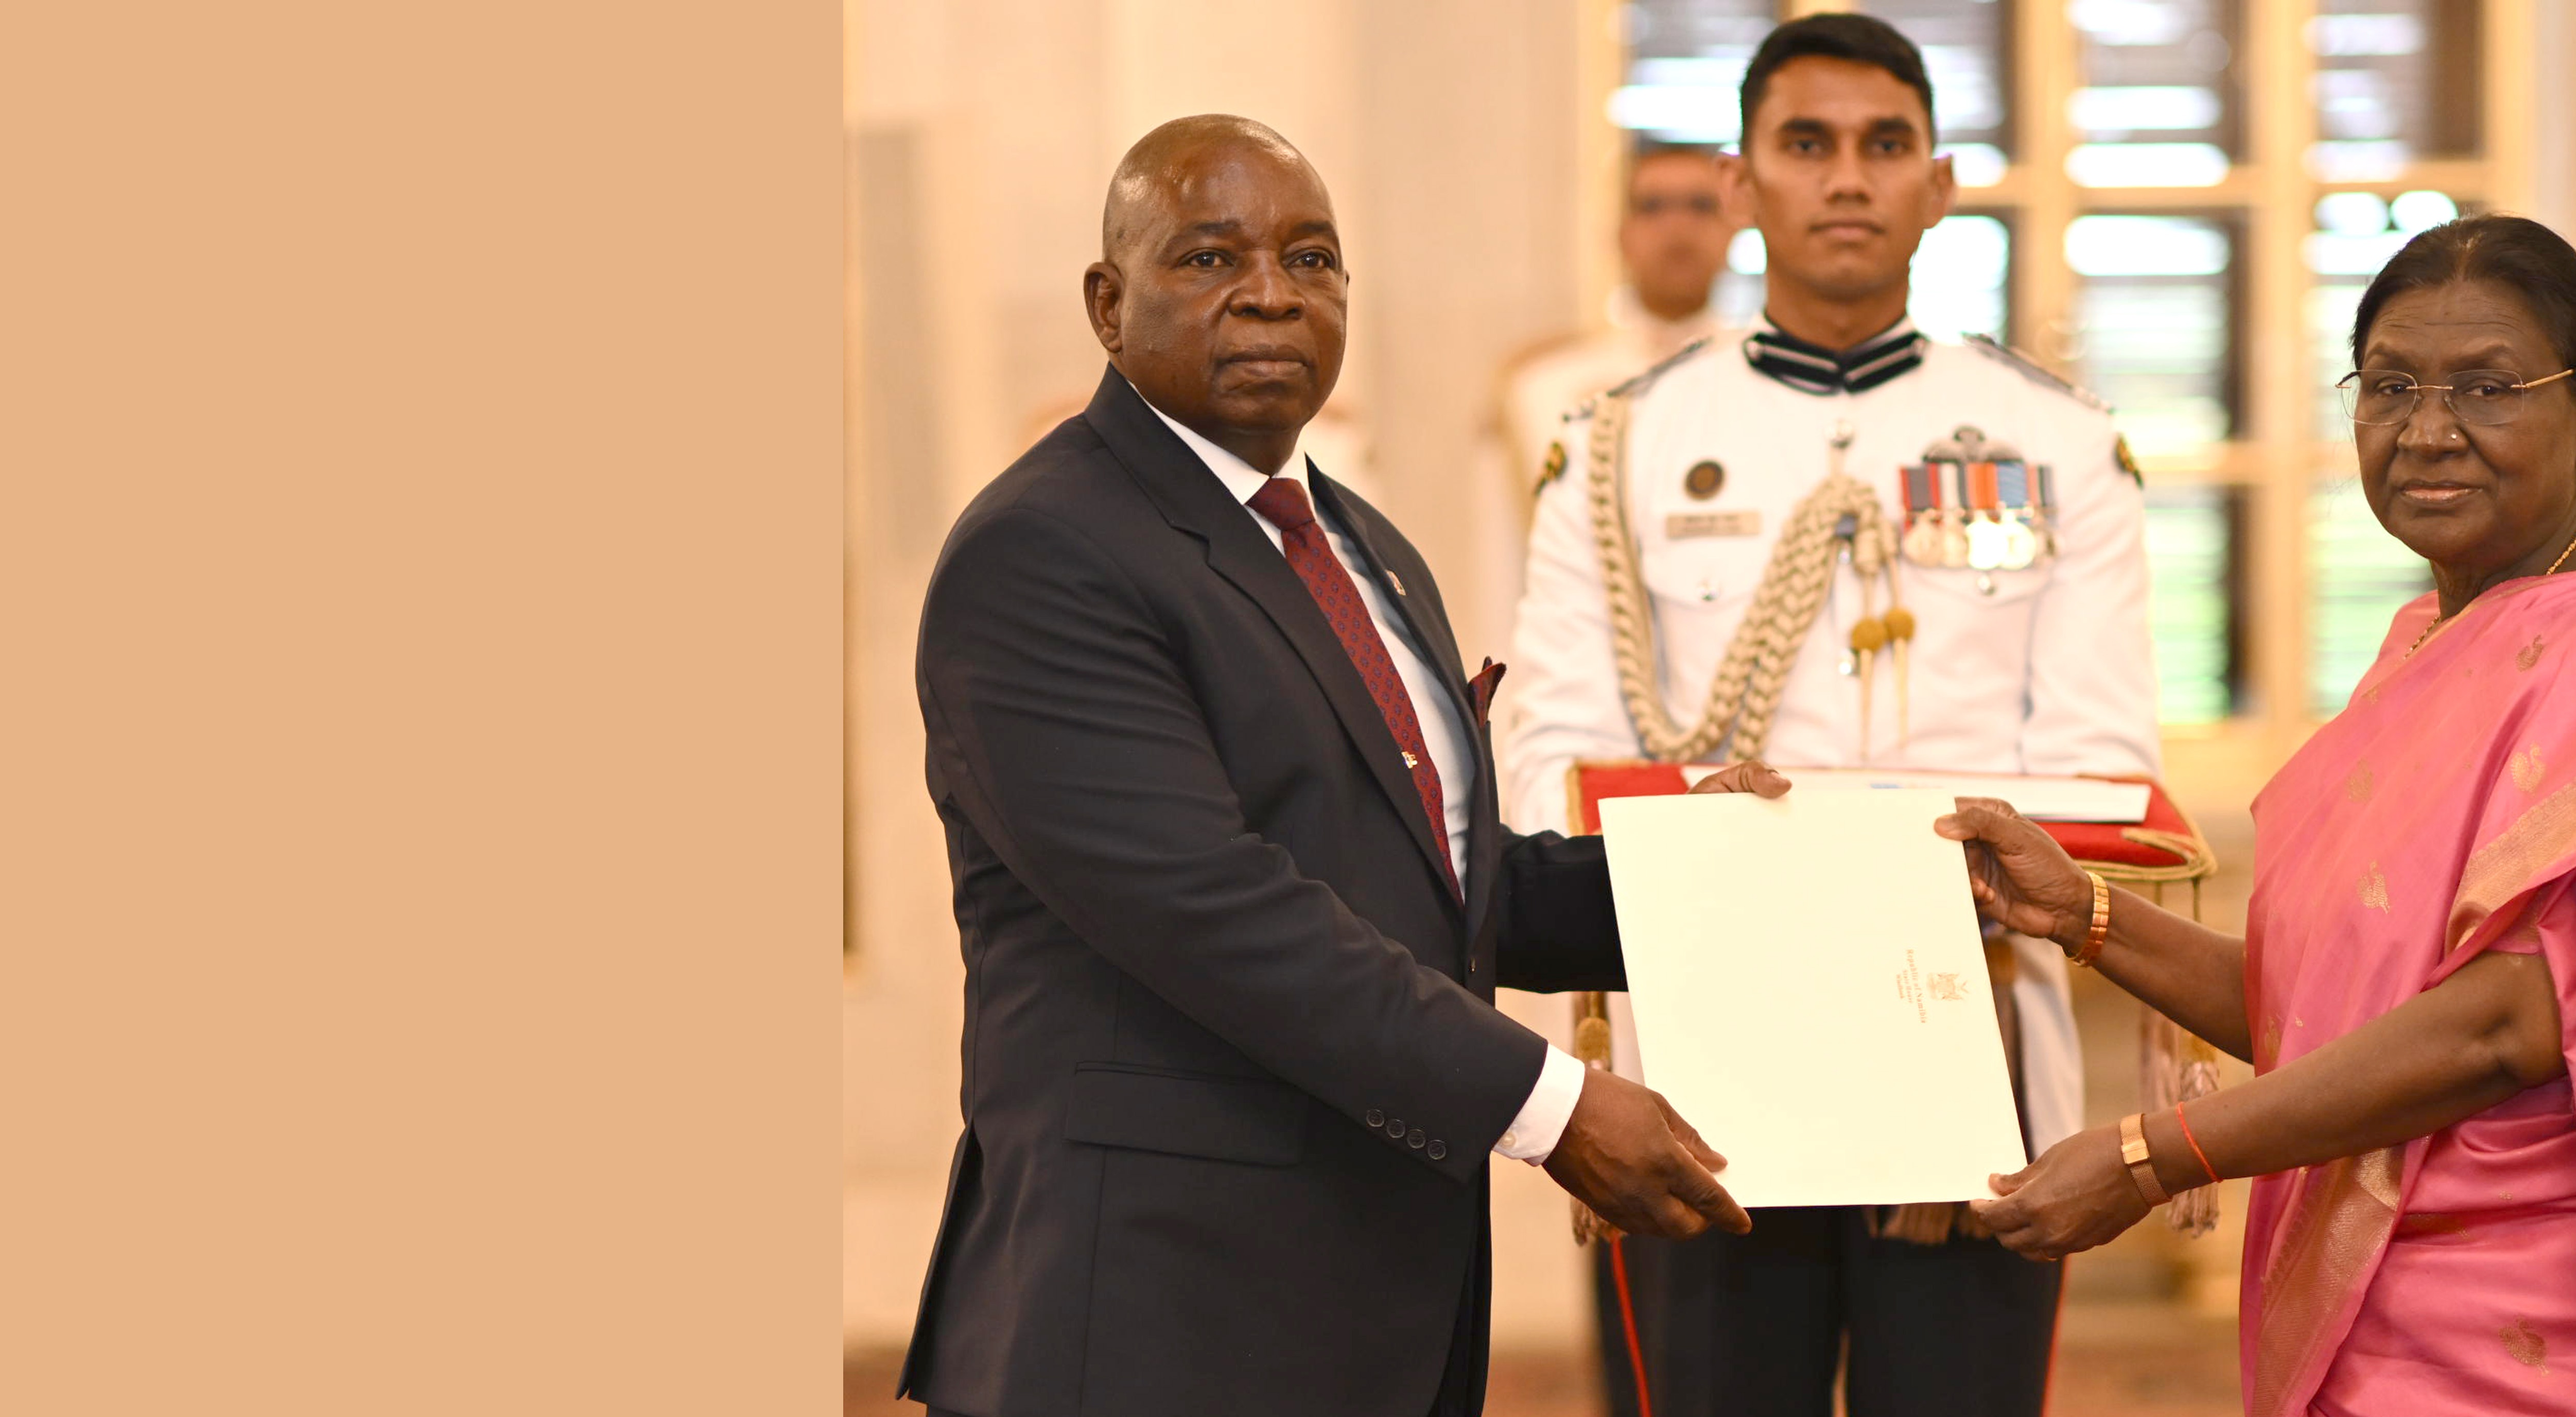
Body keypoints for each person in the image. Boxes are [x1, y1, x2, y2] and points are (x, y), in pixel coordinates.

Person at [897, 114, 1784, 1417]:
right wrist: (1551, 1103)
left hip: (1381, 1301)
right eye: (1208, 260)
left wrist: (1706, 876)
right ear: (1107, 302)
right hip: (1156, 1311)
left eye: (1310, 258)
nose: (1269, 292)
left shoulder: (1360, 543)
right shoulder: (1043, 554)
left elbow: (1437, 884)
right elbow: (1218, 912)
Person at [1941, 215, 2576, 1417]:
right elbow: (2326, 1016)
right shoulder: (2421, 647)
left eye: (2485, 388)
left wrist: (2150, 1155)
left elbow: (2503, 1029)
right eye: (2389, 386)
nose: (2428, 430)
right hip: (2366, 1307)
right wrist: (2082, 915)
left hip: (2533, 1332)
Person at [1496, 14, 2159, 1416]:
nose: (1845, 179)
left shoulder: (2054, 443)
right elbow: (1546, 763)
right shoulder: (1618, 444)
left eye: (1883, 146)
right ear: (1742, 183)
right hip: (1708, 1064)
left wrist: (1880, 876)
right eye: (1805, 146)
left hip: (1973, 1057)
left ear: (1941, 183)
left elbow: (2100, 762)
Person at [1496, 141, 1745, 521]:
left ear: (1732, 229)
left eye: (1701, 206)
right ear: (1620, 233)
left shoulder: (1766, 370)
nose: (1678, 227)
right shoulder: (1544, 384)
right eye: (1652, 207)